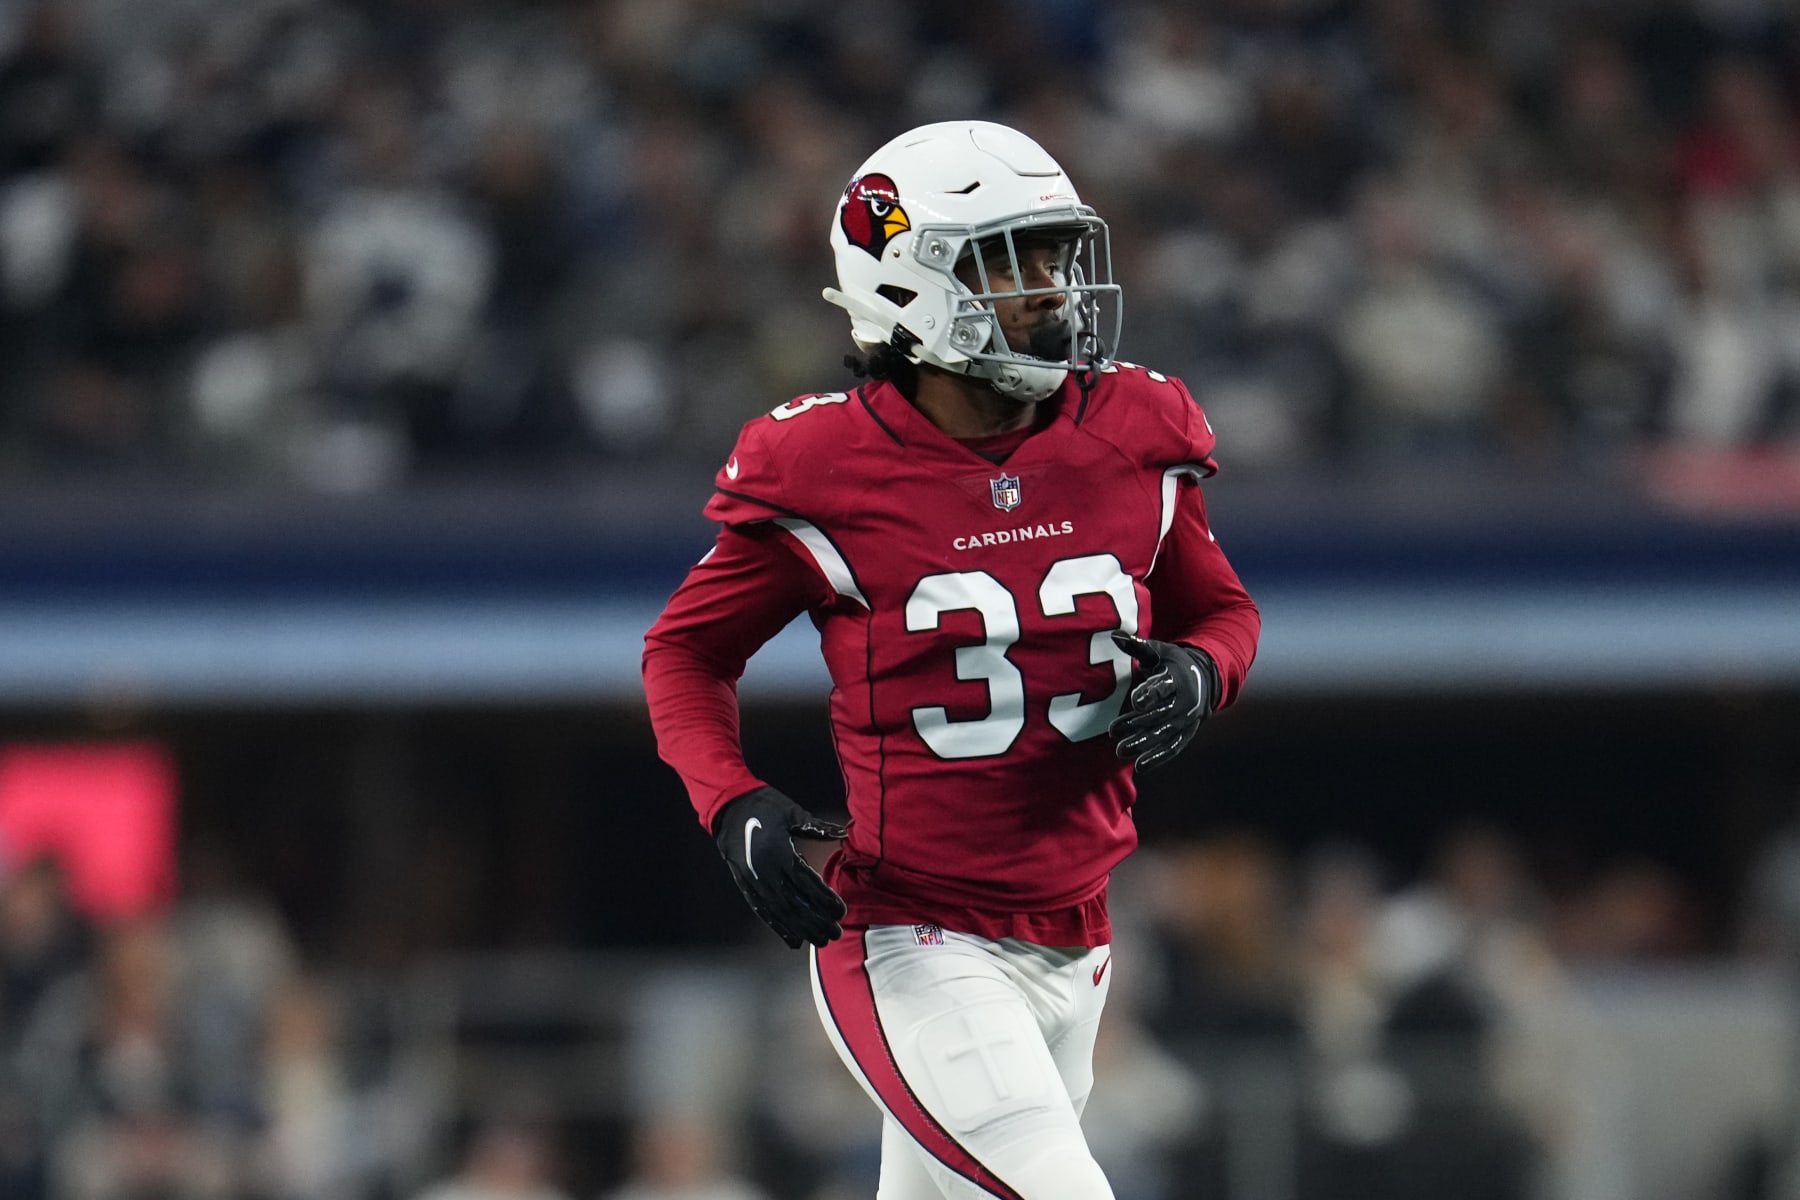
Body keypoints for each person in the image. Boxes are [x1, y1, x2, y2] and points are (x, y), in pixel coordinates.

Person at [642, 120, 1260, 1200]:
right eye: (1009, 263)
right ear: (907, 285)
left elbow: (1222, 610)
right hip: (912, 934)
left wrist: (1204, 671)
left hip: (1082, 934)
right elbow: (686, 651)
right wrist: (729, 800)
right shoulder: (824, 463)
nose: (1051, 290)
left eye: (1055, 256)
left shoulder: (1132, 428)